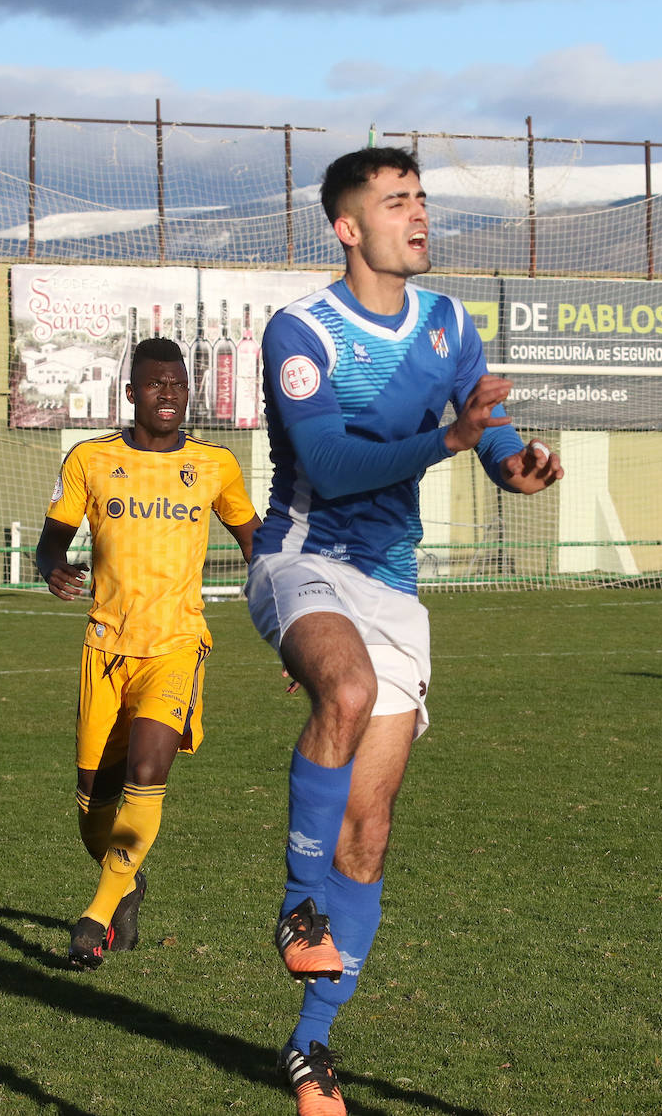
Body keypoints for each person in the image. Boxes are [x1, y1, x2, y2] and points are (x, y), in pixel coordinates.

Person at [247, 146, 562, 1116]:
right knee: (340, 691)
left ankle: (310, 1049)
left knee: (371, 834)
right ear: (349, 227)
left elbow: (488, 433)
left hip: (391, 585)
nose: (418, 214)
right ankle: (297, 907)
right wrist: (455, 441)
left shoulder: (448, 322)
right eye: (396, 202)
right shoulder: (304, 332)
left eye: (422, 197)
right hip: (302, 555)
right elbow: (335, 467)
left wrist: (512, 462)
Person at [35, 337, 260, 970]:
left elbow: (256, 547)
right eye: (157, 385)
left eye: (179, 385)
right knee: (91, 805)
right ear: (131, 393)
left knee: (148, 774)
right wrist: (53, 568)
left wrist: (294, 626)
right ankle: (124, 882)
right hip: (104, 648)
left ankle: (95, 918)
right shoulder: (91, 460)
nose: (170, 395)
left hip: (176, 646)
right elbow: (51, 542)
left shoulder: (215, 464)